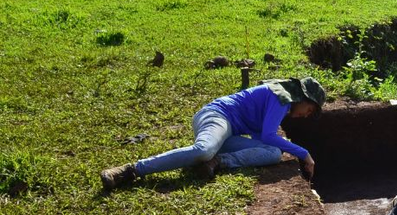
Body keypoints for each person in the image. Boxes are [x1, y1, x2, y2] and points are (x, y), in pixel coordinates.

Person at [100, 77, 324, 191]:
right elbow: (267, 135)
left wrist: (283, 146)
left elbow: (264, 141)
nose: (305, 115)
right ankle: (131, 170)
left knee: (274, 153)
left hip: (228, 134)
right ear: (304, 99)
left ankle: (219, 162)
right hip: (217, 116)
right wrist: (304, 153)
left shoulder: (281, 101)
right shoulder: (281, 98)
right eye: (310, 110)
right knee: (204, 149)